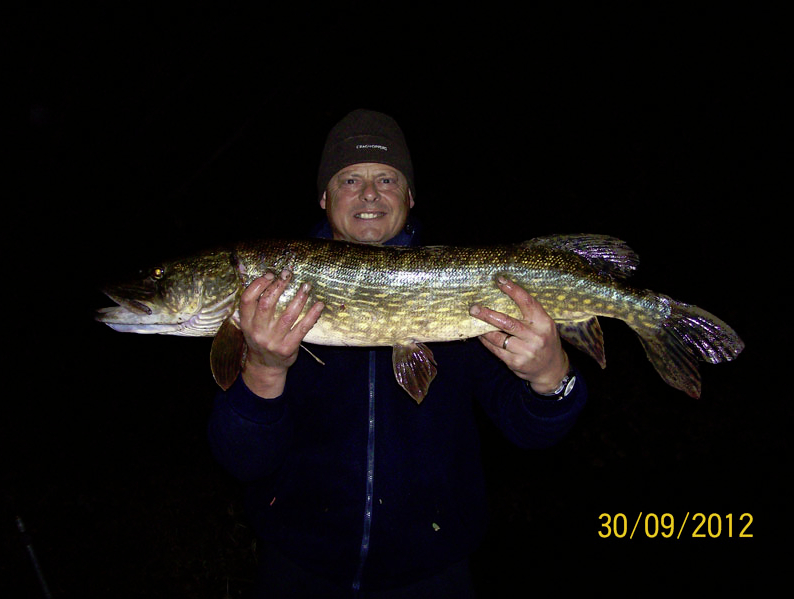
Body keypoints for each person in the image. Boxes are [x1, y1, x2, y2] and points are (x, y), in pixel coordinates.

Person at [207, 109, 587, 598]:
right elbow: (242, 462)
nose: (369, 193)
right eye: (350, 180)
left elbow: (531, 433)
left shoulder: (467, 291)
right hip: (299, 569)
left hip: (434, 571)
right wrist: (264, 369)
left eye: (386, 179)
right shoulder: (270, 298)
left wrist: (553, 377)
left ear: (409, 197)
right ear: (324, 197)